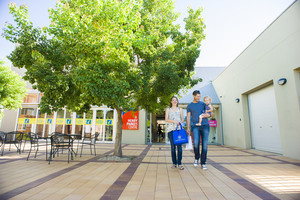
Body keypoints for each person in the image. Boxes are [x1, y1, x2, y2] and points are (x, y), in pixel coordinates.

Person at [187, 90, 213, 170]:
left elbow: (211, 114)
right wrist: (188, 127)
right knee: (196, 144)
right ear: (193, 96)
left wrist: (205, 116)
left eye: (199, 96)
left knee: (204, 145)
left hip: (205, 125)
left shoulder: (203, 104)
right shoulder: (190, 106)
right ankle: (196, 158)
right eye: (197, 96)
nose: (199, 98)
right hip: (195, 126)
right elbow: (188, 118)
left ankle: (203, 163)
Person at [165, 96, 184, 170]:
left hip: (178, 129)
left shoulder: (180, 109)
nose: (174, 101)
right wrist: (174, 121)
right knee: (173, 147)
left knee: (179, 147)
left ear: (177, 101)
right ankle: (174, 163)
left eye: (176, 100)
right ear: (171, 101)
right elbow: (166, 119)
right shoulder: (168, 109)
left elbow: (182, 119)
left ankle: (179, 163)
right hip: (171, 130)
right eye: (173, 100)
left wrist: (179, 122)